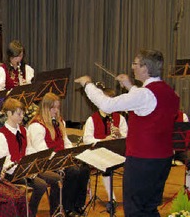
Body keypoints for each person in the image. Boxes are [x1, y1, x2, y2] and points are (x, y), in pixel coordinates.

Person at [75, 49, 180, 216]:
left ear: (145, 68)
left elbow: (107, 105)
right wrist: (130, 86)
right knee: (149, 208)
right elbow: (146, 102)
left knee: (134, 210)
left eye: (135, 64)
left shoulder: (145, 94)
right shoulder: (169, 92)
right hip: (163, 160)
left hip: (143, 161)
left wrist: (88, 84)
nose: (132, 67)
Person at [0, 97, 59, 217]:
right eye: (19, 113)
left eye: (23, 113)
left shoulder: (23, 130)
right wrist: (24, 170)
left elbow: (28, 149)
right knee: (41, 185)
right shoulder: (1, 135)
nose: (22, 116)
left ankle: (55, 212)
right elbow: (3, 161)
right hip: (12, 172)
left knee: (56, 178)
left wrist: (35, 162)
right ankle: (29, 213)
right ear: (9, 114)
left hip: (26, 168)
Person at [27, 93, 89, 216]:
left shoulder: (60, 122)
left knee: (84, 169)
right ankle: (66, 207)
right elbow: (42, 151)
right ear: (45, 108)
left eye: (57, 107)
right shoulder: (36, 125)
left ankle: (78, 205)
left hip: (62, 158)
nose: (56, 111)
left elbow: (66, 141)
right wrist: (62, 158)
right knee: (73, 171)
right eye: (53, 108)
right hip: (47, 162)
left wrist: (71, 152)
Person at [81, 87, 127, 208]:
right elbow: (87, 139)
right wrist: (102, 140)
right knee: (107, 167)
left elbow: (128, 138)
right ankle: (111, 198)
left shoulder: (120, 118)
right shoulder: (92, 119)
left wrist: (119, 135)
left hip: (118, 152)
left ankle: (131, 195)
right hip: (99, 152)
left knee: (134, 163)